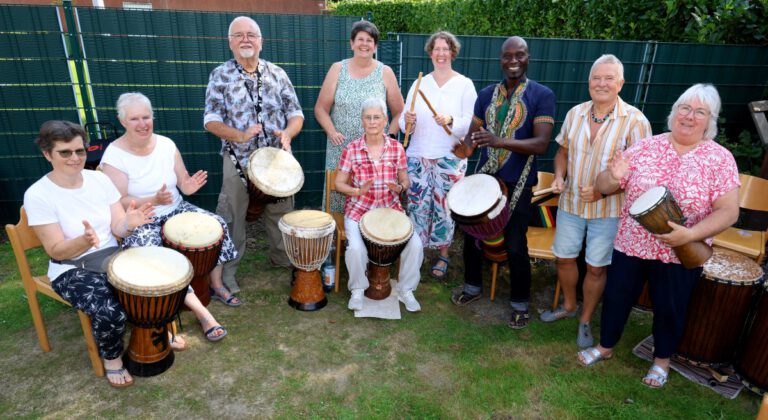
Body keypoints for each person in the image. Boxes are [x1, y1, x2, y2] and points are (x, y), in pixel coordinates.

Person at [578, 84, 740, 389]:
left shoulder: (719, 159)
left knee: (671, 307)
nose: (689, 116)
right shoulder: (645, 147)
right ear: (674, 112)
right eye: (684, 108)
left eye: (699, 112)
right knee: (616, 297)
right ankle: (605, 346)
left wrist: (690, 234)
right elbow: (603, 186)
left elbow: (728, 212)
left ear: (710, 120)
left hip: (680, 250)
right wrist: (612, 175)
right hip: (631, 243)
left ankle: (661, 361)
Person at [24, 120, 155, 388]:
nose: (75, 158)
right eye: (65, 152)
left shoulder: (100, 180)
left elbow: (117, 227)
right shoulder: (38, 194)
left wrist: (128, 224)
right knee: (110, 310)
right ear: (47, 154)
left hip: (112, 256)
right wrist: (83, 241)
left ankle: (154, 336)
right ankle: (112, 358)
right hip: (71, 267)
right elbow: (55, 250)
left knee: (155, 282)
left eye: (80, 151)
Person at [101, 92, 235, 343]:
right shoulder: (114, 155)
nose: (142, 124)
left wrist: (190, 186)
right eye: (134, 119)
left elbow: (182, 183)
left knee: (217, 224)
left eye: (146, 117)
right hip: (142, 218)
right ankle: (203, 314)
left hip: (176, 208)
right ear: (122, 122)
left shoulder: (166, 144)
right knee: (156, 262)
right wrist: (152, 200)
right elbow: (117, 200)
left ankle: (216, 285)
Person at [539, 55, 651, 349]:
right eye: (597, 78)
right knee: (564, 258)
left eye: (609, 78)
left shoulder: (636, 122)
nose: (602, 83)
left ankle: (585, 319)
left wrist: (604, 192)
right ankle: (569, 305)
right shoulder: (576, 113)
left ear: (620, 83)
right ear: (589, 82)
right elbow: (562, 152)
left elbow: (640, 176)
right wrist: (559, 176)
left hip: (609, 211)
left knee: (596, 267)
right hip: (571, 204)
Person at [450, 36, 556, 330]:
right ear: (500, 59)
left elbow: (542, 143)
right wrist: (466, 148)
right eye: (507, 56)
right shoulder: (485, 95)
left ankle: (520, 303)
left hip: (519, 184)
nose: (513, 60)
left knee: (515, 244)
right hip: (486, 181)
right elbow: (473, 135)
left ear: (527, 57)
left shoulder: (541, 95)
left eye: (519, 55)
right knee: (472, 237)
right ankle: (472, 287)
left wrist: (500, 141)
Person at [204, 16, 304, 294]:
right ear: (230, 42)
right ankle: (228, 274)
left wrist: (288, 133)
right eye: (239, 35)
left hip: (276, 161)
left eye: (251, 35)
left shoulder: (278, 73)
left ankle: (283, 259)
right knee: (233, 218)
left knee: (282, 214)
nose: (245, 39)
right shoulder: (220, 75)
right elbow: (210, 120)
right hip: (237, 160)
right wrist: (240, 135)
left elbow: (296, 114)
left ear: (261, 41)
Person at [398, 31, 477, 280]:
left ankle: (443, 254)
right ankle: (416, 255)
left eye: (445, 49)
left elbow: (472, 121)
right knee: (418, 207)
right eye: (436, 49)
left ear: (452, 52)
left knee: (444, 209)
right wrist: (406, 119)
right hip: (418, 155)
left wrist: (451, 119)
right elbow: (403, 121)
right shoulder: (420, 83)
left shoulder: (464, 84)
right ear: (430, 53)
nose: (441, 54)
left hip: (449, 157)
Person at [335, 98, 424, 312]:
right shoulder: (352, 149)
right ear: (362, 121)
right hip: (359, 211)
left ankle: (405, 290)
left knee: (416, 246)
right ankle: (357, 290)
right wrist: (357, 191)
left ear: (385, 120)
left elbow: (406, 180)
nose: (372, 122)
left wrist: (400, 188)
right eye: (368, 117)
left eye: (377, 117)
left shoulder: (396, 148)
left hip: (390, 211)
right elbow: (338, 183)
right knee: (355, 249)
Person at [315, 20, 404, 213]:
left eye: (369, 40)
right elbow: (321, 109)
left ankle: (372, 239)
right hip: (341, 146)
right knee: (338, 192)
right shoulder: (337, 69)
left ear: (375, 46)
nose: (364, 44)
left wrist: (390, 136)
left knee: (374, 193)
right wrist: (331, 131)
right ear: (352, 43)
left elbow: (399, 112)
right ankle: (336, 240)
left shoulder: (385, 72)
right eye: (360, 39)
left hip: (376, 151)